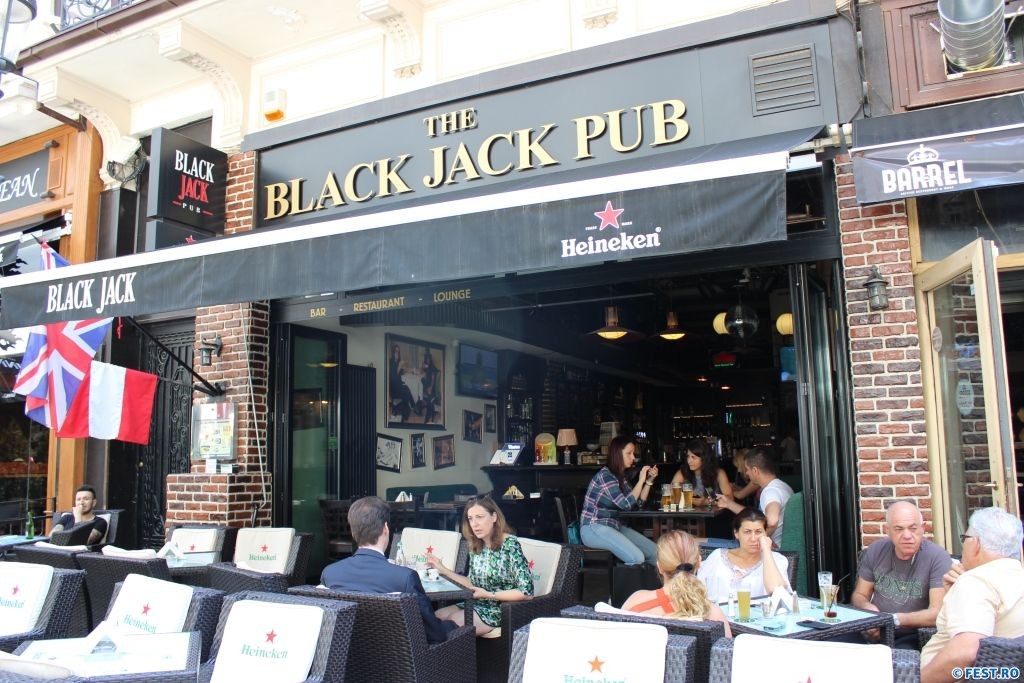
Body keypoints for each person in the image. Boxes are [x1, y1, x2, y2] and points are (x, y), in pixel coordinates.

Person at [320, 496, 457, 645]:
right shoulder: (405, 577)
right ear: (385, 529)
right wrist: (453, 625)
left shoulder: (330, 574)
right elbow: (435, 635)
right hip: (403, 658)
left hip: (348, 655)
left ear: (353, 532)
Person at [920, 507, 1024, 683]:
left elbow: (965, 653)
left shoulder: (976, 582)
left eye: (965, 538)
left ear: (976, 543)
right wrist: (954, 594)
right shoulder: (1017, 576)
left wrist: (918, 680)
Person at [850, 500, 951, 649]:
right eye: (899, 529)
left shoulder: (937, 557)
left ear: (923, 528)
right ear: (887, 530)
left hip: (910, 633)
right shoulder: (876, 550)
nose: (907, 535)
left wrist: (892, 620)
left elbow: (937, 613)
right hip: (870, 628)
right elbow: (859, 594)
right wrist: (867, 608)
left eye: (913, 528)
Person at [428, 496, 533, 635]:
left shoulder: (510, 545)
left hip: (501, 609)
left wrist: (489, 594)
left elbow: (526, 592)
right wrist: (444, 570)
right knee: (435, 616)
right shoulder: (477, 545)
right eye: (470, 519)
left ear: (494, 517)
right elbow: (472, 583)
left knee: (453, 621)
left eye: (479, 517)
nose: (474, 524)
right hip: (477, 603)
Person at [622, 530, 733, 636]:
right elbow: (727, 648)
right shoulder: (714, 615)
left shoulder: (634, 602)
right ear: (699, 563)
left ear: (660, 567)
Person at [579, 435, 659, 565]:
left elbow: (637, 504)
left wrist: (648, 481)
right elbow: (625, 505)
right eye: (629, 453)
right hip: (594, 527)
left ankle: (652, 579)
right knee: (637, 558)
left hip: (614, 526)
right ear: (617, 454)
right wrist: (640, 480)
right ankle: (627, 579)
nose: (633, 458)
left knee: (656, 553)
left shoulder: (621, 477)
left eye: (633, 453)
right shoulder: (605, 476)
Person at [697, 508, 791, 602]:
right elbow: (697, 591)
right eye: (747, 532)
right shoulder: (717, 557)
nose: (753, 538)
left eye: (758, 532)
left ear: (765, 533)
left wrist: (766, 551)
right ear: (736, 533)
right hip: (718, 611)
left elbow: (776, 591)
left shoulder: (776, 559)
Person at [715, 448, 792, 547]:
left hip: (766, 549)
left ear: (755, 470)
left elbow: (772, 521)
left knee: (699, 542)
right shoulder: (782, 486)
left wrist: (758, 540)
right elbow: (755, 516)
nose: (746, 473)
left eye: (747, 469)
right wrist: (728, 504)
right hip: (770, 547)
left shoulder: (770, 491)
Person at [671, 438, 733, 507]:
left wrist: (706, 502)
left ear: (704, 459)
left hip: (714, 513)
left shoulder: (718, 473)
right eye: (688, 456)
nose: (689, 461)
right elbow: (671, 496)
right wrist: (685, 499)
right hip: (689, 513)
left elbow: (730, 499)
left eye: (693, 457)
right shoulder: (683, 473)